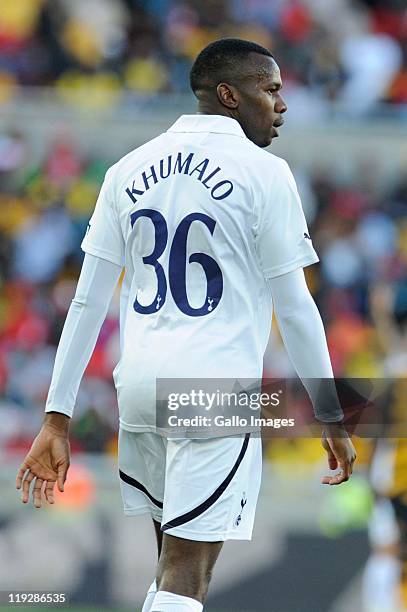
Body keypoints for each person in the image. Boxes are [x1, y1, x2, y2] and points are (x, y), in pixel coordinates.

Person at [15, 39, 356, 612]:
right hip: (215, 389)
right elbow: (295, 307)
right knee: (187, 576)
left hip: (141, 389)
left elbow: (86, 304)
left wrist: (57, 417)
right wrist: (332, 413)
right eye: (270, 90)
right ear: (229, 95)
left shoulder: (127, 169)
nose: (282, 104)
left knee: (168, 570)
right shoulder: (265, 173)